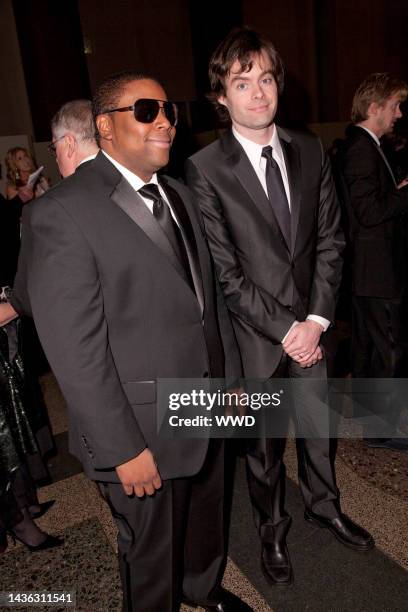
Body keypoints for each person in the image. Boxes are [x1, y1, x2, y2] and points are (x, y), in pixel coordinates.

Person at [11, 71, 248, 612]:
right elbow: (76, 351)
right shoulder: (59, 212)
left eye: (168, 110)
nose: (164, 120)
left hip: (204, 406)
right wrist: (124, 448)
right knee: (150, 558)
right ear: (104, 127)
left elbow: (208, 309)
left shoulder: (181, 195)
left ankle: (201, 589)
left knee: (206, 519)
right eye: (146, 110)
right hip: (139, 431)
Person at [185, 27, 374, 587]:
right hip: (256, 337)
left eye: (265, 79)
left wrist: (316, 320)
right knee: (263, 453)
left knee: (319, 429)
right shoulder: (204, 168)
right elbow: (226, 273)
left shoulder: (311, 148)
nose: (258, 93)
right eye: (242, 83)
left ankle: (324, 504)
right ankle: (271, 528)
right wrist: (288, 328)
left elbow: (331, 240)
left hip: (312, 327)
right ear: (221, 96)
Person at [335, 73, 408, 451]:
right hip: (377, 270)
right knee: (387, 349)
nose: (399, 113)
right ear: (376, 106)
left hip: (370, 270)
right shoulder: (363, 148)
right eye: (395, 105)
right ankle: (383, 429)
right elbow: (368, 211)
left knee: (369, 349)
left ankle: (371, 420)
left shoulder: (366, 145)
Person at [48, 99, 99, 177]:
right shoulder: (122, 174)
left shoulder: (65, 189)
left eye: (55, 148)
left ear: (70, 143)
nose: (56, 159)